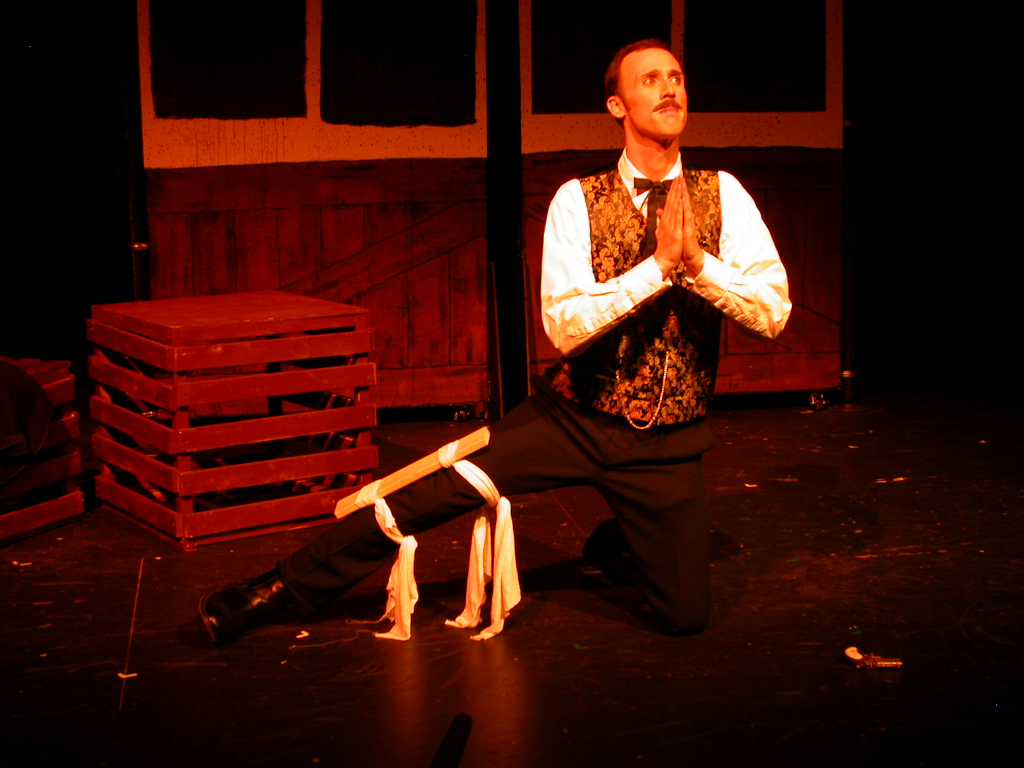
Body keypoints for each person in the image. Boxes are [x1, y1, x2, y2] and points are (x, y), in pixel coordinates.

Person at [199, 39, 790, 643]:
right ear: (617, 105)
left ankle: (623, 539)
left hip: (667, 441)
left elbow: (774, 313)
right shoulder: (577, 200)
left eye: (676, 77)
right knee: (430, 488)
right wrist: (657, 268)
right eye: (650, 80)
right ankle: (276, 587)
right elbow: (564, 327)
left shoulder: (725, 194)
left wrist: (698, 265)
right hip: (575, 418)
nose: (668, 89)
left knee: (686, 618)